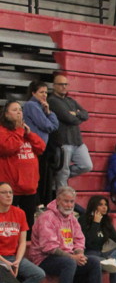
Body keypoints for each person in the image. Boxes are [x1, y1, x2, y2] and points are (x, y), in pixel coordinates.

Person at [27, 186, 112, 283]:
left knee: (94, 261)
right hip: (44, 258)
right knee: (69, 263)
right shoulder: (46, 218)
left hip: (67, 256)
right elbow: (49, 247)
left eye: (72, 202)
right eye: (66, 201)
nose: (69, 205)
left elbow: (79, 238)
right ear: (58, 200)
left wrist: (79, 254)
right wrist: (72, 257)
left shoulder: (72, 218)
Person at [0, 181, 46, 283]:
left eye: (10, 192)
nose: (9, 195)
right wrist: (5, 263)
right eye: (4, 192)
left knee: (38, 274)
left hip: (13, 256)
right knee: (3, 273)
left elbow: (22, 242)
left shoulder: (19, 213)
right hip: (1, 258)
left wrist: (18, 261)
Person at [0, 100, 46, 229]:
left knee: (29, 224)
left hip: (29, 187)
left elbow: (41, 147)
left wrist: (29, 134)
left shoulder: (25, 132)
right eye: (14, 110)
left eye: (20, 110)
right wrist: (20, 131)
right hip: (11, 189)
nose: (19, 112)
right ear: (6, 114)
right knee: (9, 224)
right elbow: (7, 147)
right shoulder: (2, 131)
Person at [47, 73, 94, 189]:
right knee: (63, 172)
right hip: (62, 142)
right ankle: (60, 196)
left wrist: (76, 114)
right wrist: (77, 116)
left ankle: (56, 177)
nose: (64, 87)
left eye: (66, 84)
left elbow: (86, 114)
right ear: (54, 86)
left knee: (87, 165)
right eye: (61, 84)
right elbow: (69, 119)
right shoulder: (52, 101)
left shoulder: (70, 100)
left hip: (77, 141)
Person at [22, 80, 60, 205]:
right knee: (39, 177)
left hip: (42, 146)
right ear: (33, 93)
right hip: (35, 146)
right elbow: (48, 126)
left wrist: (48, 112)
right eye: (41, 92)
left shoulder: (42, 107)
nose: (44, 95)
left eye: (46, 92)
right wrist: (49, 116)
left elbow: (55, 125)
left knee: (44, 177)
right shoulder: (31, 105)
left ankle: (41, 202)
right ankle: (37, 203)